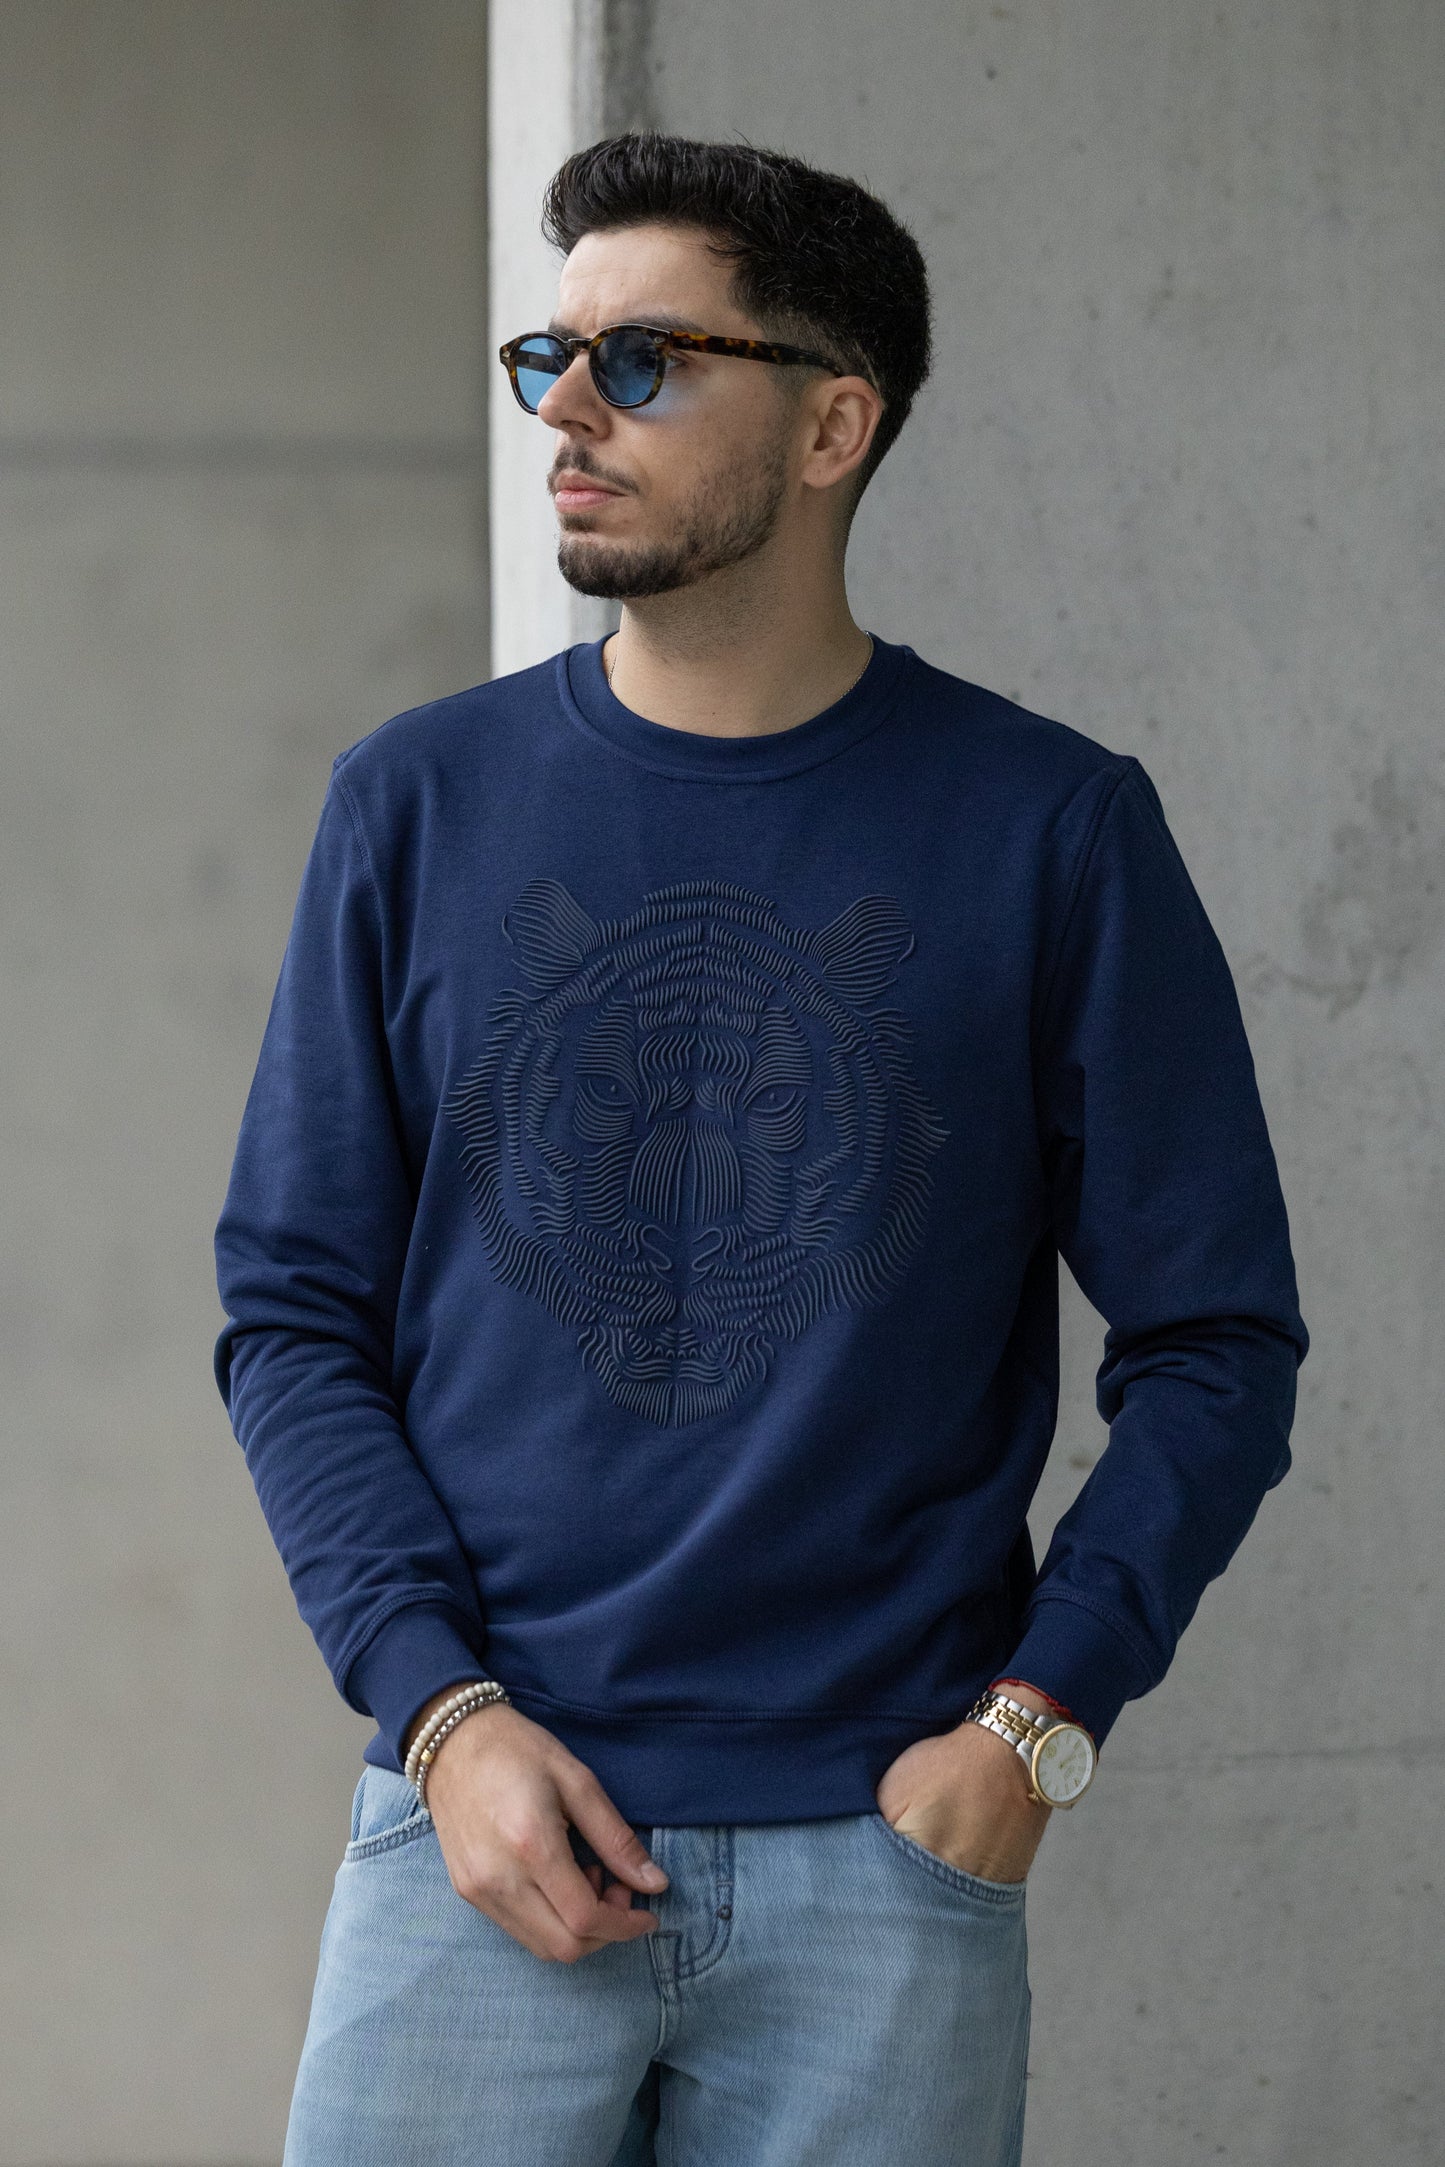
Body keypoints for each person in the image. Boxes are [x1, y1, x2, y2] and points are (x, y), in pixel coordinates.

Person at [213, 130, 1309, 2167]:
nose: (568, 406)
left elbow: (1217, 1338)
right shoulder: (416, 806)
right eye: (549, 355)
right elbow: (290, 1312)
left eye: (642, 361)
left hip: (881, 1860)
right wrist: (441, 1716)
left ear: (830, 424)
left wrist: (1037, 1725)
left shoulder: (1049, 830)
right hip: (482, 1823)